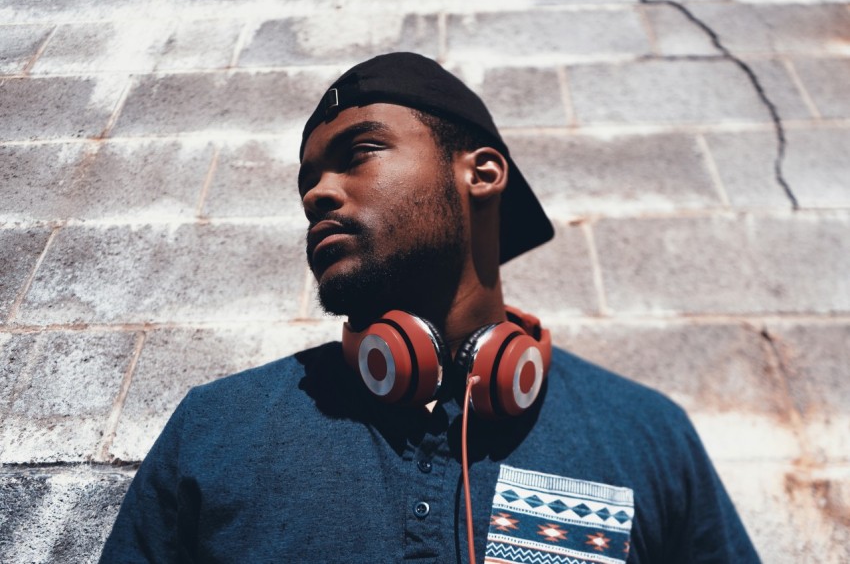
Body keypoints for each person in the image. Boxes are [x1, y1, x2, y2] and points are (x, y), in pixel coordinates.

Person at [100, 52, 760, 563]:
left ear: (482, 172)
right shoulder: (216, 427)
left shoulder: (646, 433)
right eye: (308, 179)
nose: (317, 194)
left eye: (358, 152)